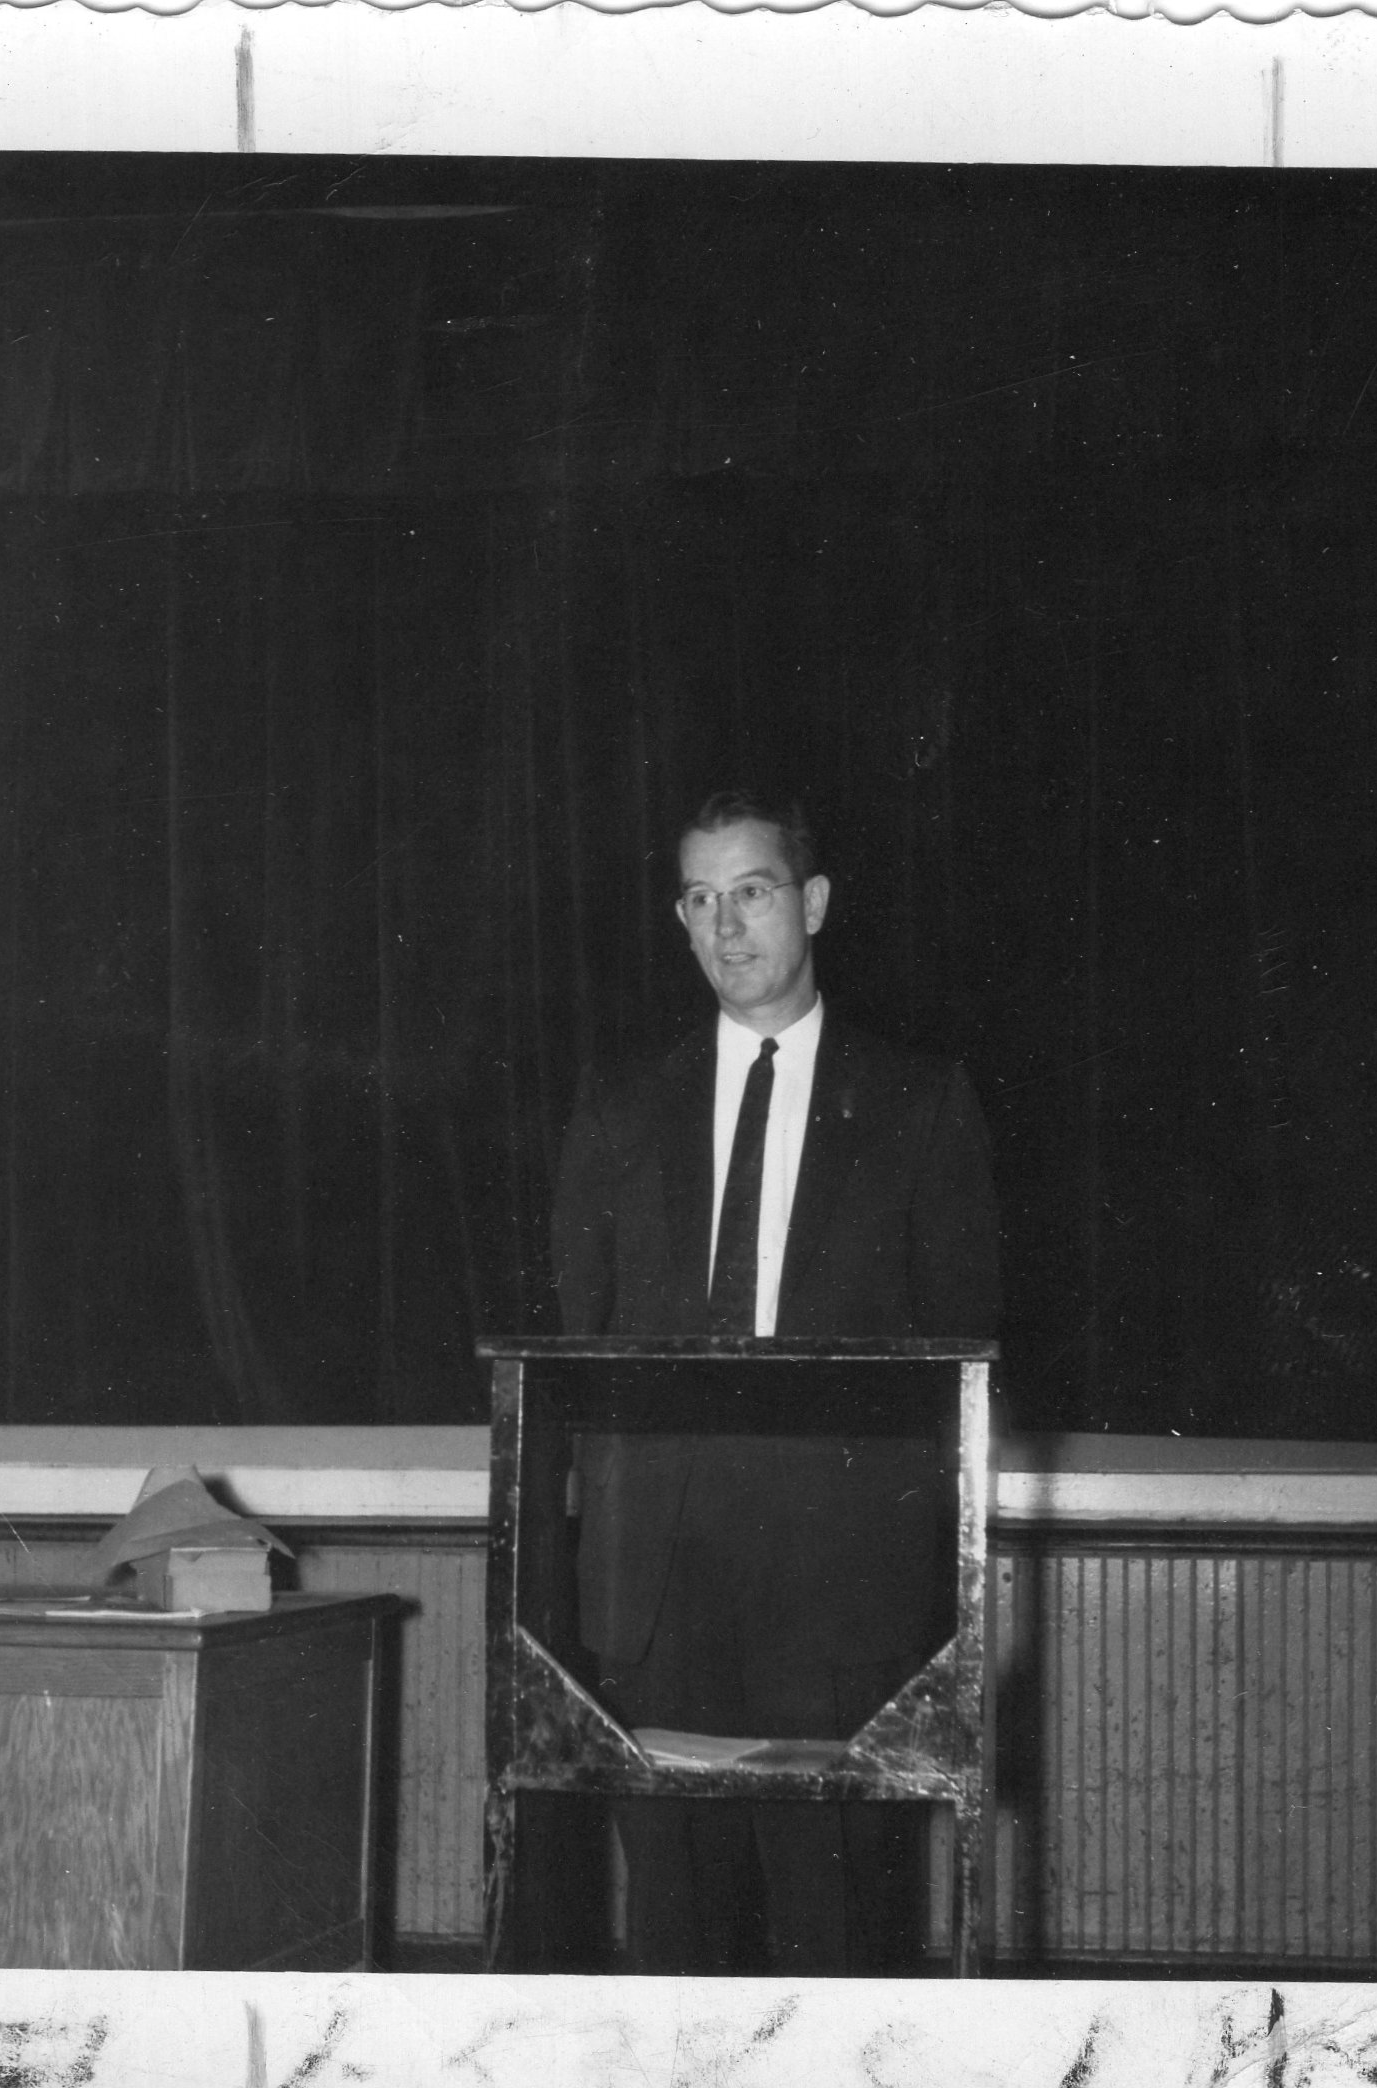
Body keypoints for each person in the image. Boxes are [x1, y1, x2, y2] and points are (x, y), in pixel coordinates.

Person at [550, 788, 1002, 1973]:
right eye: (699, 899)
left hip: (838, 1597)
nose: (725, 925)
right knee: (673, 1944)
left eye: (751, 891)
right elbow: (580, 1340)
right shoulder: (618, 1103)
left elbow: (961, 1355)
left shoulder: (918, 1102)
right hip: (655, 1594)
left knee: (835, 1941)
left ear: (814, 903)